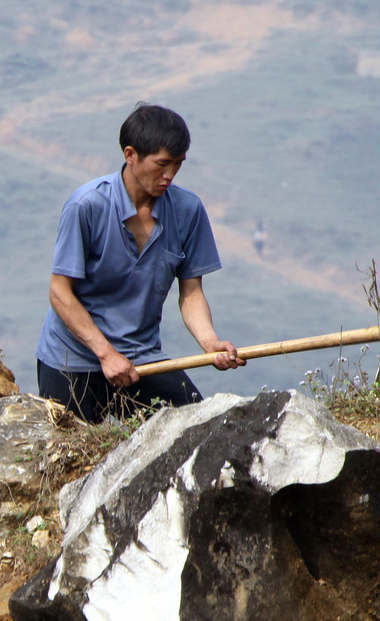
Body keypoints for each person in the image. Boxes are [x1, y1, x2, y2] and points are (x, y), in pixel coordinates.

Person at [35, 103, 244, 424]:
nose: (169, 175)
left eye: (177, 164)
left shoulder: (187, 211)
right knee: (68, 454)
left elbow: (191, 292)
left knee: (199, 429)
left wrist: (209, 342)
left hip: (142, 359)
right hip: (71, 358)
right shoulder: (86, 206)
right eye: (161, 164)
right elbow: (60, 293)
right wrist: (105, 354)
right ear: (130, 155)